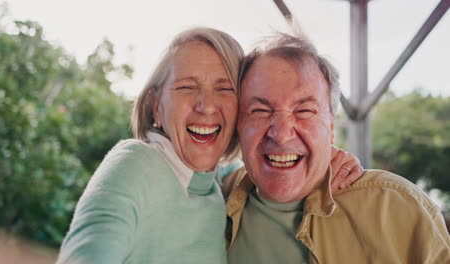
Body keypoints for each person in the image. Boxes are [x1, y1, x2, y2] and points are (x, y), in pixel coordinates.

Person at [56, 27, 362, 264]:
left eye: (224, 88)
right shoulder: (134, 163)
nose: (206, 106)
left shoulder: (219, 183)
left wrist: (324, 158)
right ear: (156, 108)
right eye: (186, 87)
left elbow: (259, 166)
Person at [223, 33, 450, 263]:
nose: (281, 134)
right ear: (238, 126)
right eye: (259, 111)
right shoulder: (215, 199)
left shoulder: (396, 207)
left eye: (304, 111)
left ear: (330, 127)